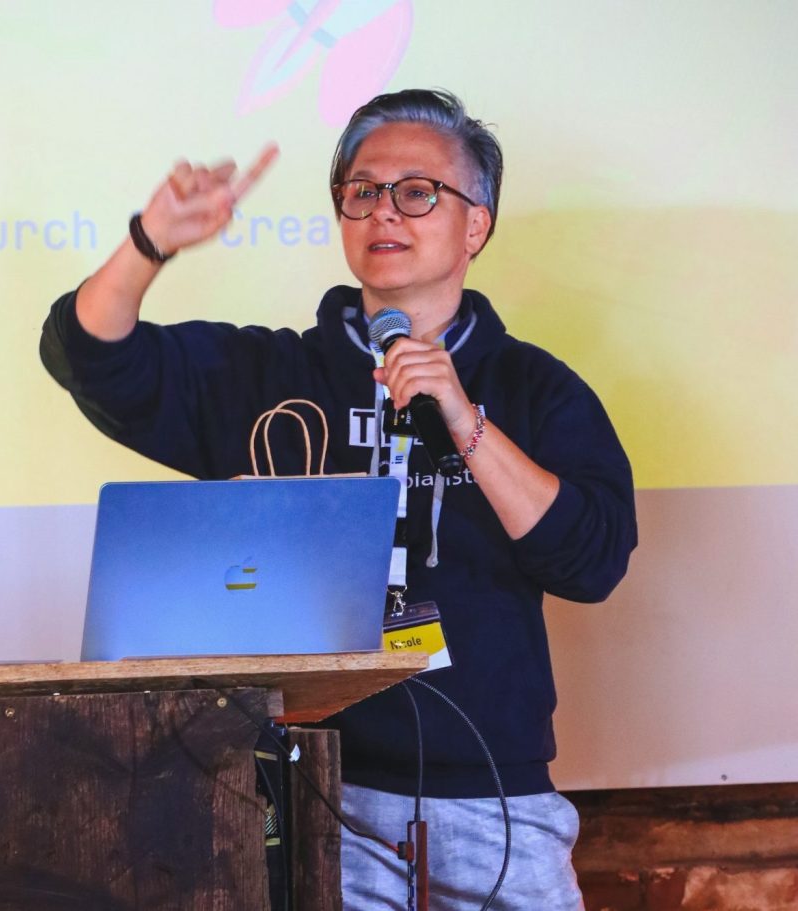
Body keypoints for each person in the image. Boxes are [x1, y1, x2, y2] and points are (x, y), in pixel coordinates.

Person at [41, 89, 637, 910]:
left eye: (416, 191)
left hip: (491, 797)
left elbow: (591, 558)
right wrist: (150, 243)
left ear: (475, 225)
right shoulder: (271, 376)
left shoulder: (537, 389)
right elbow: (88, 355)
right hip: (316, 792)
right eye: (362, 191)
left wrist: (462, 416)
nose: (382, 210)